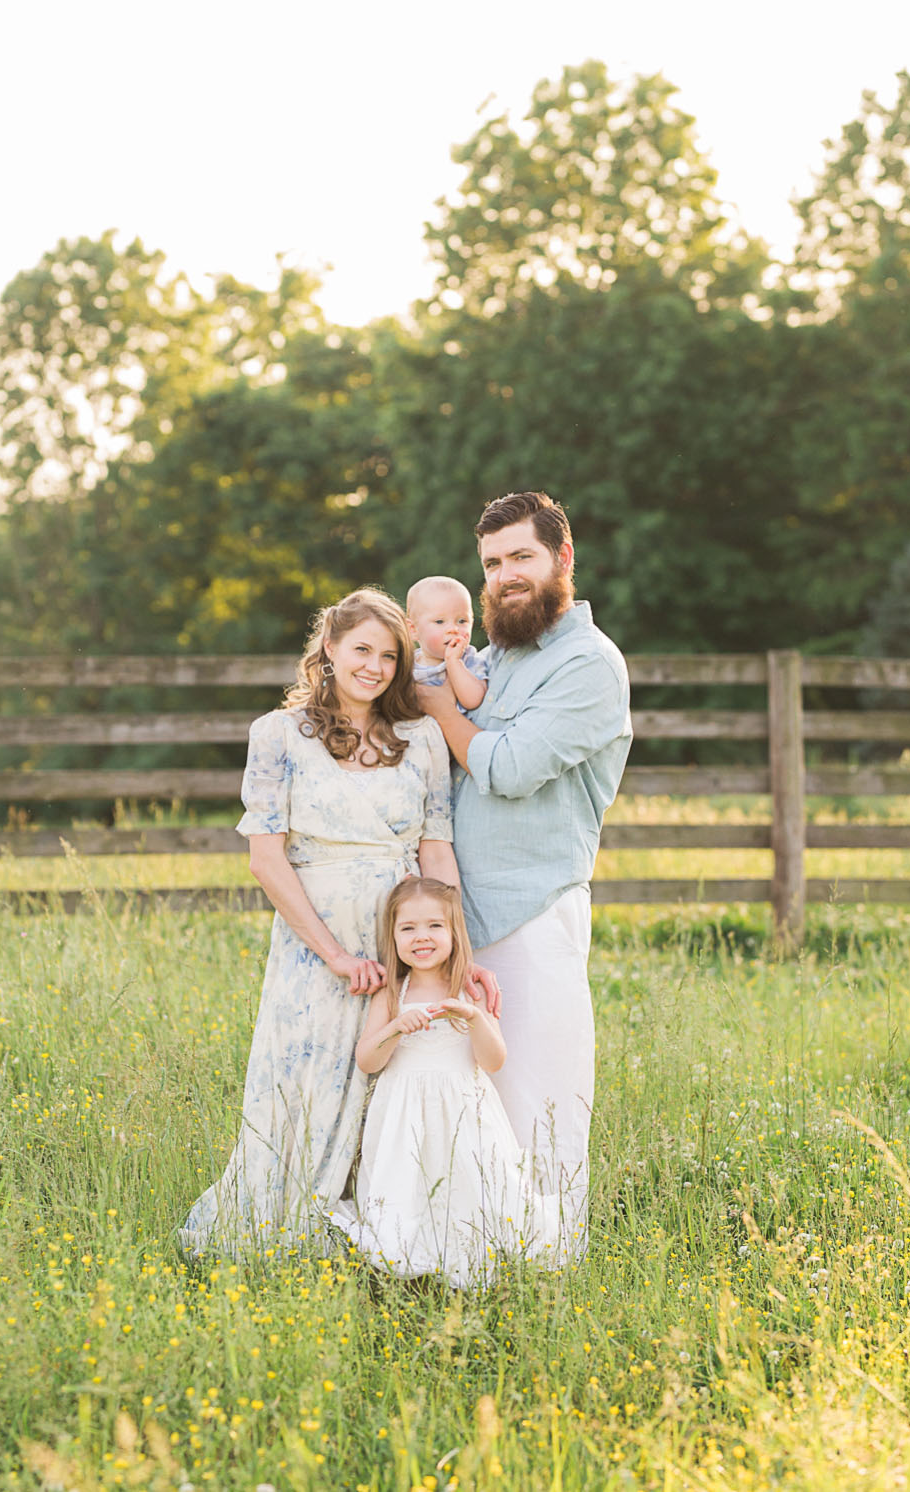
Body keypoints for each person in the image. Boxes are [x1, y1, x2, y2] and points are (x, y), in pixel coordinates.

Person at [177, 588, 496, 1259]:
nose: (375, 666)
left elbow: (436, 848)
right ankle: (281, 1230)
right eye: (362, 650)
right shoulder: (278, 735)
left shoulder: (421, 738)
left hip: (403, 939)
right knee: (302, 1080)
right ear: (329, 648)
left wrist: (455, 952)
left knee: (395, 1079)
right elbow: (267, 859)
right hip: (315, 941)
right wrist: (334, 956)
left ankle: (389, 1233)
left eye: (389, 655)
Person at [416, 491, 631, 1260]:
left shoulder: (589, 666)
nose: (505, 576)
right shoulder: (498, 654)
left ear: (563, 559)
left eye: (521, 558)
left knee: (539, 1098)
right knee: (466, 1098)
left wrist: (441, 710)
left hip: (532, 914)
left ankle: (548, 1264)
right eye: (493, 563)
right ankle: (470, 1250)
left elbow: (505, 768)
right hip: (458, 921)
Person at [328, 876, 559, 1286]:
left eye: (435, 926)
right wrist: (396, 1027)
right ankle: (408, 1247)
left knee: (468, 1178)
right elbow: (367, 1060)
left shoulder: (467, 992)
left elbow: (494, 1060)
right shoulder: (391, 994)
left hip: (462, 1110)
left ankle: (470, 1240)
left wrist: (473, 1019)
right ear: (393, 936)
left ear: (454, 934)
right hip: (404, 1111)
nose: (422, 937)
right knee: (408, 1180)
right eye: (408, 928)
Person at [406, 575, 489, 712]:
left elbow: (473, 700)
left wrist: (454, 662)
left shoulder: (469, 660)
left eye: (462, 621)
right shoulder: (406, 665)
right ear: (413, 629)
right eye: (440, 622)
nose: (453, 629)